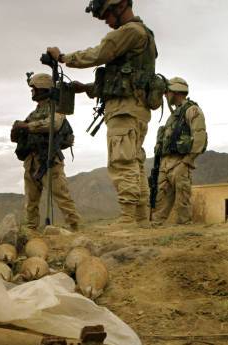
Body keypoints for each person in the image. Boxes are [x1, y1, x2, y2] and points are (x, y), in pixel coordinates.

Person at [46, 0, 160, 226]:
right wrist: (87, 88)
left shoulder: (130, 31)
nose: (107, 22)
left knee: (122, 161)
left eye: (107, 15)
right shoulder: (144, 34)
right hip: (135, 108)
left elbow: (99, 53)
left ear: (119, 7)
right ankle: (140, 218)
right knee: (134, 162)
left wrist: (63, 58)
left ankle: (128, 218)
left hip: (125, 110)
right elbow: (125, 76)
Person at [11, 73, 80, 232]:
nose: (32, 92)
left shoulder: (56, 109)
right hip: (32, 161)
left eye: (33, 89)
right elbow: (20, 133)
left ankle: (74, 226)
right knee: (31, 200)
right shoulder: (34, 113)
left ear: (42, 88)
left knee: (61, 195)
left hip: (49, 158)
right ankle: (31, 229)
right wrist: (17, 131)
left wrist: (27, 127)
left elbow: (53, 125)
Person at [152, 78, 207, 226]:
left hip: (181, 161)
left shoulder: (192, 110)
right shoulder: (174, 115)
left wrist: (187, 161)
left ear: (174, 91)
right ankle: (155, 232)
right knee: (160, 202)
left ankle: (185, 236)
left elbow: (199, 137)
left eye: (167, 92)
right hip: (165, 163)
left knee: (183, 201)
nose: (165, 95)